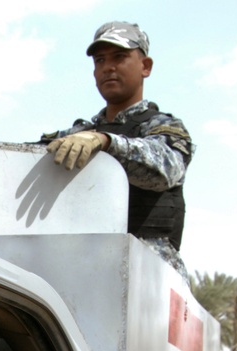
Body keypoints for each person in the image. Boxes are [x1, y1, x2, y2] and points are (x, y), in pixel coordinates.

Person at [40, 21, 194, 278]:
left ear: (145, 66)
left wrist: (106, 142)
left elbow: (166, 169)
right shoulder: (77, 135)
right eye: (100, 60)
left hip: (151, 278)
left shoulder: (164, 128)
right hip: (79, 268)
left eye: (120, 57)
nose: (108, 67)